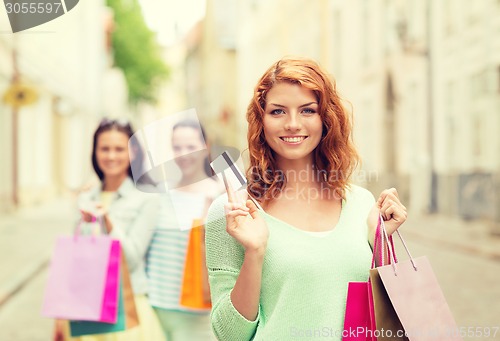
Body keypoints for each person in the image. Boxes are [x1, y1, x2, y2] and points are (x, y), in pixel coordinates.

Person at [205, 57, 408, 341]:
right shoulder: (234, 212)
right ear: (260, 121)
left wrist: (381, 242)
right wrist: (255, 252)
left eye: (307, 110)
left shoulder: (361, 203)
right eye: (277, 112)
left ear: (326, 119)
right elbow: (229, 335)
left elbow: (385, 316)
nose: (292, 124)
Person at [54, 118, 166, 341]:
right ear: (95, 152)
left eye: (119, 149)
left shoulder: (146, 199)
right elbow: (75, 260)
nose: (111, 156)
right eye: (104, 148)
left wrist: (108, 221)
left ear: (133, 152)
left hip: (126, 306)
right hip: (86, 305)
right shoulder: (86, 197)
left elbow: (132, 258)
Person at [146, 119, 222, 340]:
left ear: (205, 146)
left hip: (197, 314)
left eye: (190, 147)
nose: (183, 154)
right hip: (156, 308)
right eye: (177, 147)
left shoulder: (219, 195)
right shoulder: (161, 193)